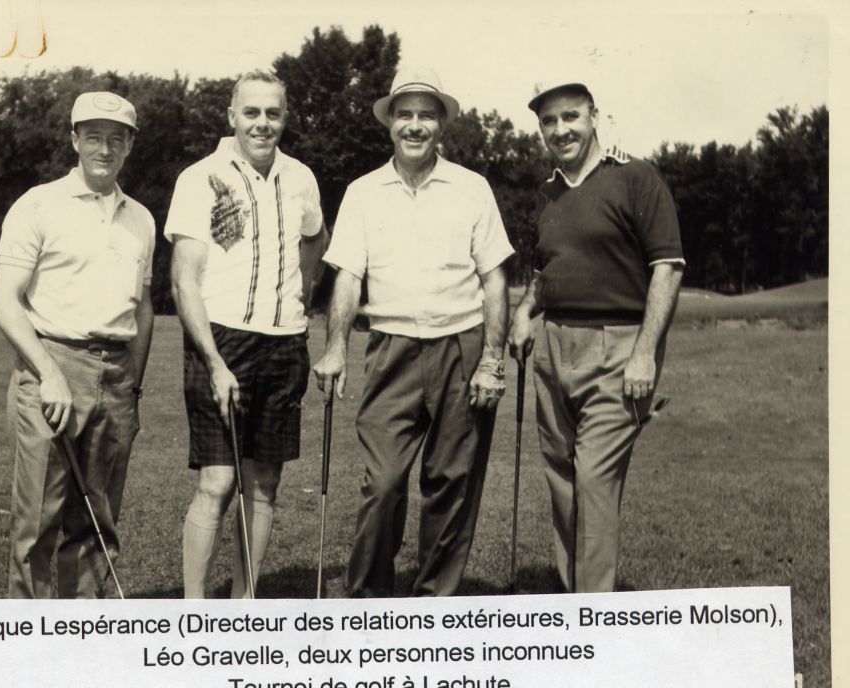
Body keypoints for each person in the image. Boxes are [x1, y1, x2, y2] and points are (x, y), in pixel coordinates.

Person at [313, 68, 513, 598]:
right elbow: (347, 276)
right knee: (382, 484)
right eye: (405, 115)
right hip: (391, 350)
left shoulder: (472, 188)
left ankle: (433, 607)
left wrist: (492, 360)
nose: (415, 125)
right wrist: (335, 348)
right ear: (390, 123)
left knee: (452, 482)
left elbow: (495, 278)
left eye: (427, 115)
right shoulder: (362, 192)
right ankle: (369, 604)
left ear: (442, 123)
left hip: (461, 346)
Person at [509, 81, 684, 593]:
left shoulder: (635, 177)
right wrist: (524, 312)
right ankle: (576, 600)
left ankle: (596, 613)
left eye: (571, 117)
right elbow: (546, 273)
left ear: (593, 116)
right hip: (553, 346)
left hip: (619, 348)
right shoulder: (548, 192)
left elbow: (668, 267)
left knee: (594, 480)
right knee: (562, 478)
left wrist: (644, 354)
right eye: (549, 121)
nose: (560, 129)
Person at [165, 70, 329, 599]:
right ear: (232, 115)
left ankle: (244, 604)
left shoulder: (301, 177)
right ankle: (194, 609)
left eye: (273, 113)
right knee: (217, 481)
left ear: (285, 118)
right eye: (252, 112)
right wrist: (214, 362)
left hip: (285, 342)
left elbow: (315, 240)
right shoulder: (200, 177)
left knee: (265, 485)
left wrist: (298, 295)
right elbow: (183, 280)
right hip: (221, 341)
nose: (262, 124)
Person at [0, 91, 155, 598]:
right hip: (53, 364)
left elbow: (143, 309)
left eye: (116, 139)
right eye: (93, 137)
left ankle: (83, 630)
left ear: (129, 145)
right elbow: (3, 300)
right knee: (37, 521)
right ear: (74, 140)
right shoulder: (38, 204)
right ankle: (31, 634)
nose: (104, 149)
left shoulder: (141, 219)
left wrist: (132, 388)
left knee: (97, 523)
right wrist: (49, 374)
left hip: (117, 376)